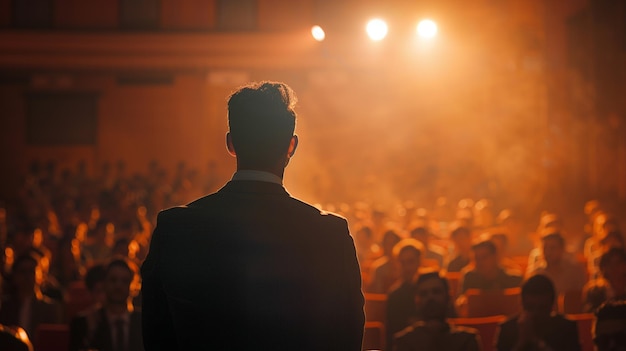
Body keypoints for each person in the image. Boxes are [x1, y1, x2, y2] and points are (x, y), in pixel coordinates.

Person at [140, 81, 365, 350]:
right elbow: (347, 337)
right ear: (291, 147)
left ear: (231, 143)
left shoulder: (175, 228)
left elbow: (156, 335)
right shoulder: (330, 234)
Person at [393, 272, 482, 351]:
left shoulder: (466, 340)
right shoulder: (405, 342)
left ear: (448, 298)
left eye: (436, 292)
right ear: (417, 301)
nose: (430, 298)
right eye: (424, 294)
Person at [69, 258, 143, 351]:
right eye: (113, 280)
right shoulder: (84, 323)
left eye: (124, 281)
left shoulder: (144, 322)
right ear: (104, 283)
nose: (118, 286)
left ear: (133, 285)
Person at [495, 275, 581, 351]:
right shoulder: (507, 329)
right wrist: (521, 344)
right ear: (521, 304)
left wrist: (536, 341)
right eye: (530, 307)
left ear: (552, 306)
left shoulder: (566, 328)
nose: (535, 313)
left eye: (542, 308)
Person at [0, 253, 63, 340]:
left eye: (32, 271)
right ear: (15, 276)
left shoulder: (51, 308)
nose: (27, 276)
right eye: (23, 271)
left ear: (41, 276)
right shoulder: (5, 306)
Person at [526, 230, 587, 295]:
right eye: (545, 248)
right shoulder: (535, 273)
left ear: (562, 249)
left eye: (552, 248)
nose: (548, 252)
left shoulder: (575, 272)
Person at [583, 247, 626, 312]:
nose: (614, 267)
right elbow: (590, 313)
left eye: (618, 263)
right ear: (603, 267)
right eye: (609, 264)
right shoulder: (594, 291)